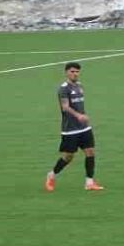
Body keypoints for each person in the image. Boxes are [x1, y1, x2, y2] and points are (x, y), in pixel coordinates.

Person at [44, 62, 104, 192]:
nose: (75, 74)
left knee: (90, 152)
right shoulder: (63, 89)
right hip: (70, 130)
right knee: (68, 157)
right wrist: (78, 115)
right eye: (72, 71)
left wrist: (83, 117)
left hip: (84, 128)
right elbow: (65, 107)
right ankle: (51, 175)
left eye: (77, 71)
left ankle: (89, 182)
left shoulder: (79, 86)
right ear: (66, 72)